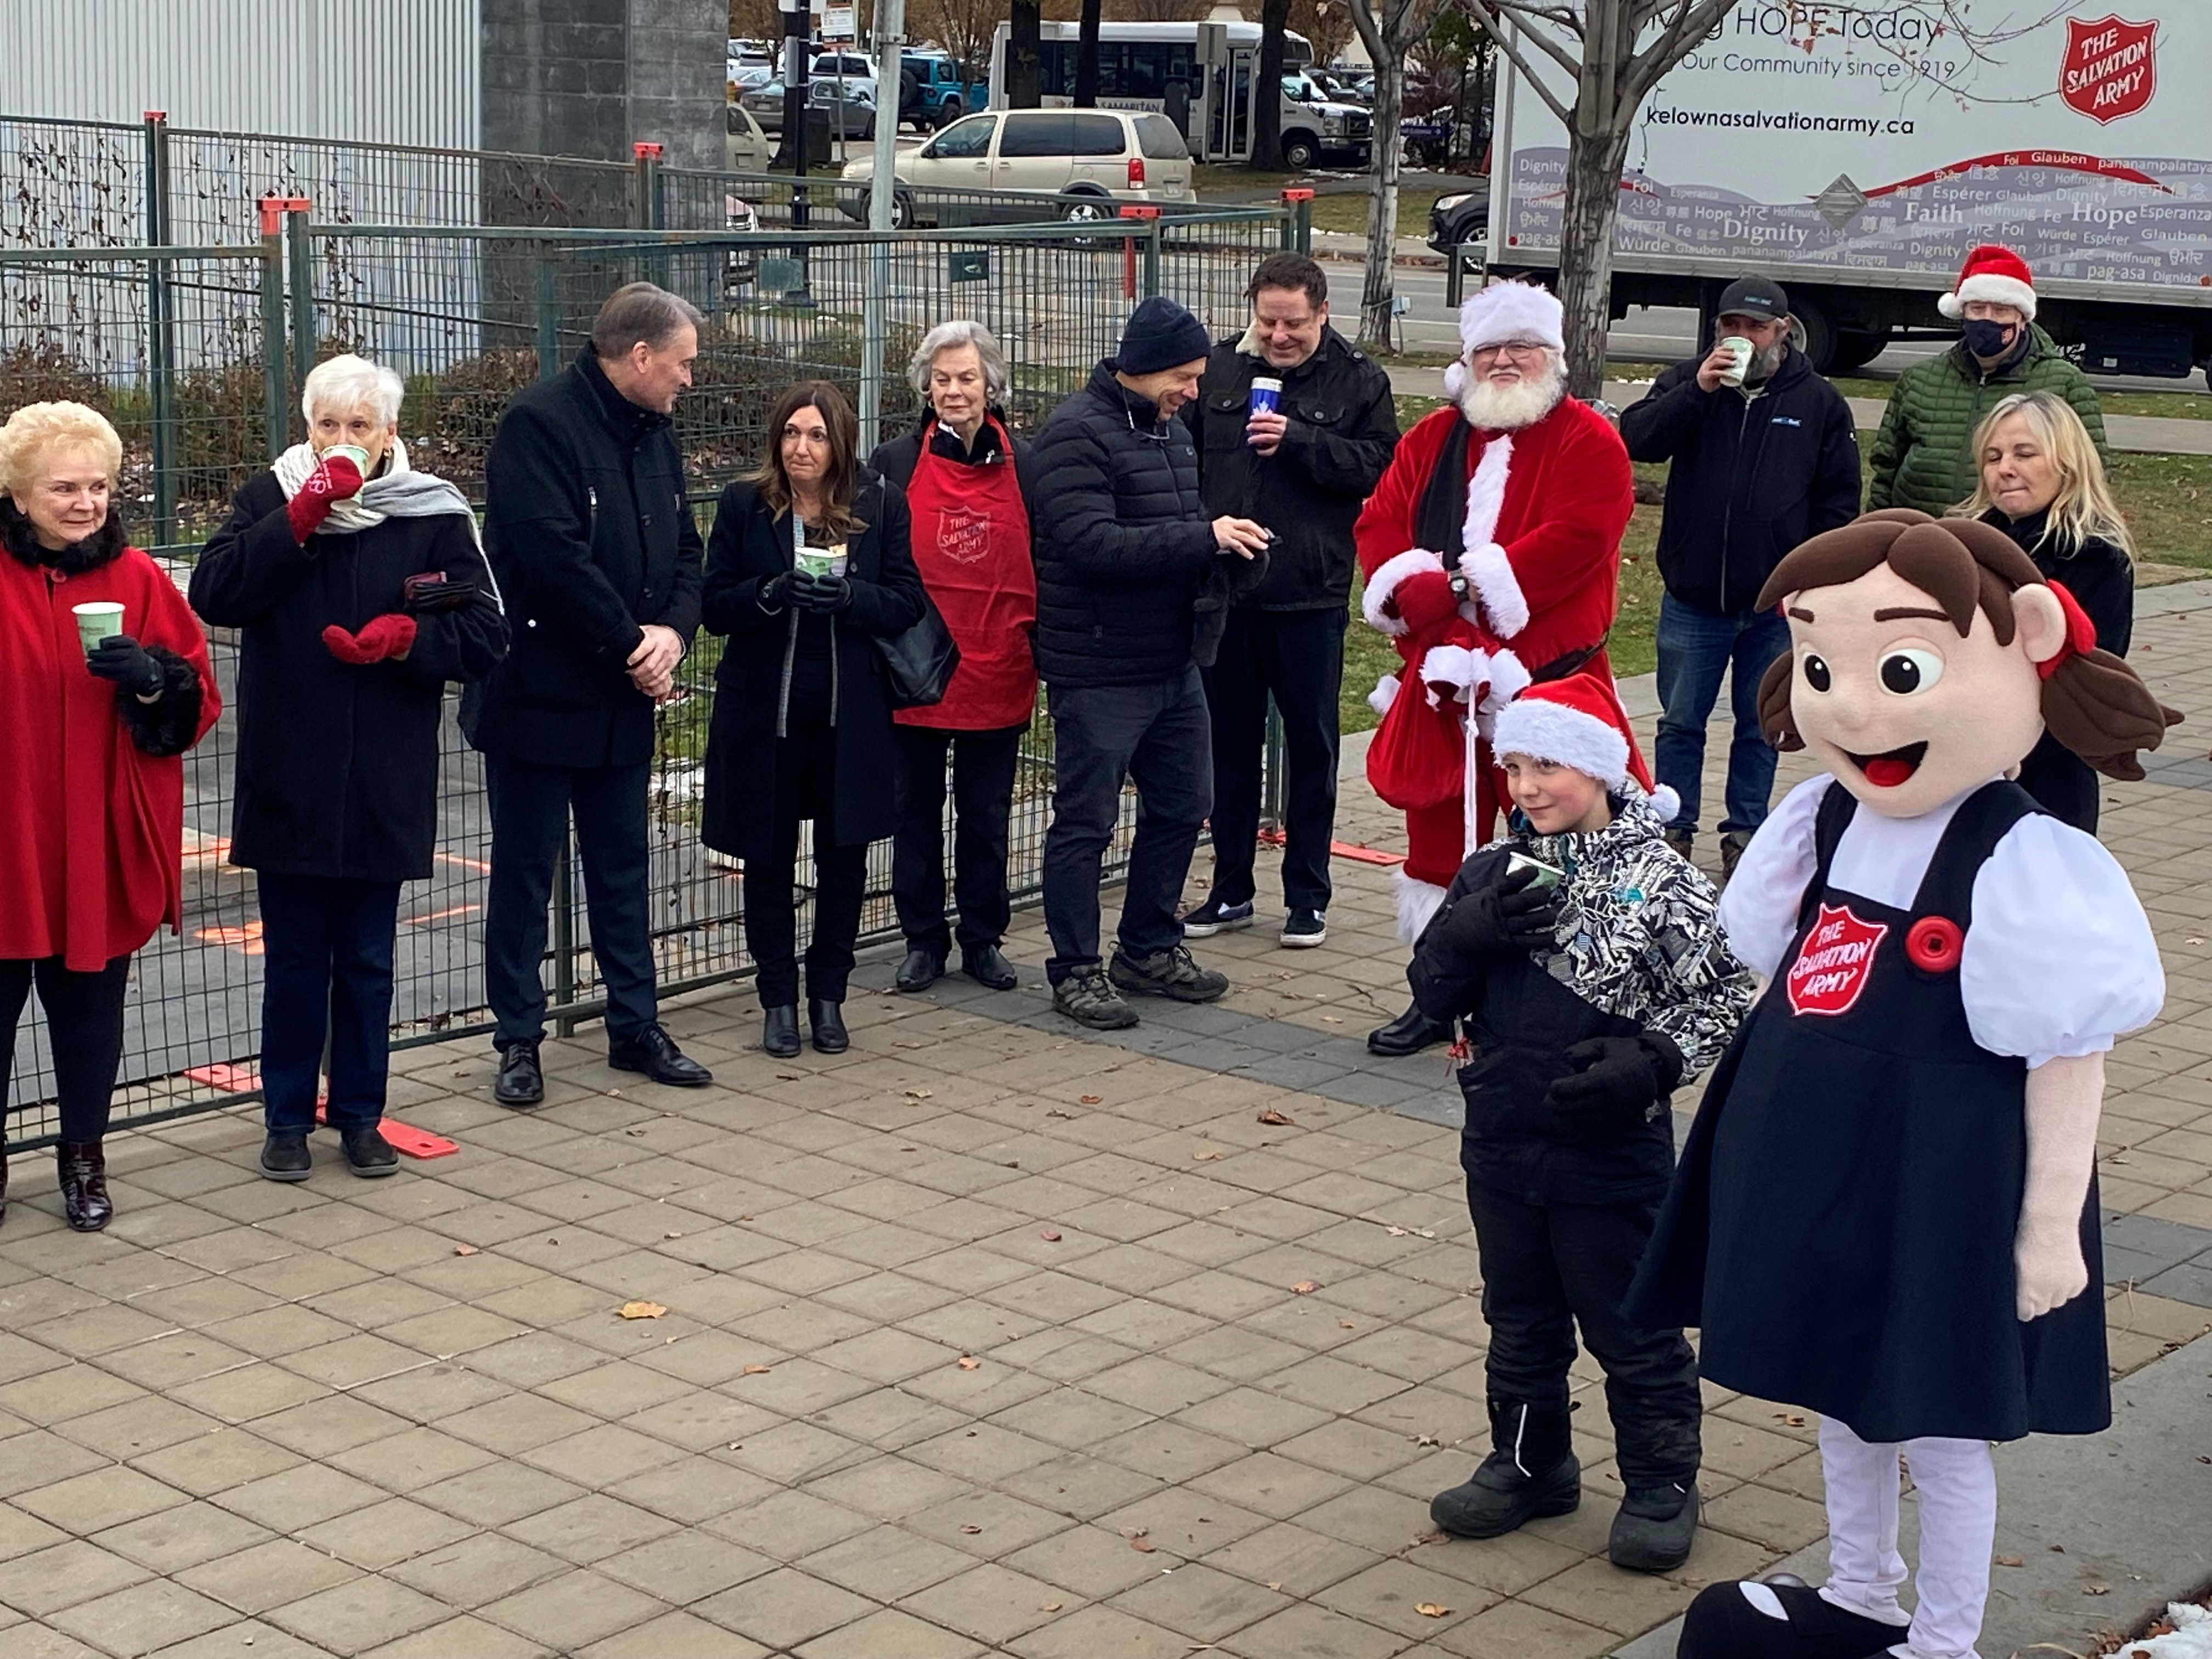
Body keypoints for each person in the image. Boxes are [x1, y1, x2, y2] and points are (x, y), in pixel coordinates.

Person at [1629, 511, 2175, 1659]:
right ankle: (1864, 1589)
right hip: (1821, 1158)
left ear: (2019, 651)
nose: (1853, 711)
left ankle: (1943, 1639)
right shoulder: (1819, 817)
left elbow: (2070, 1051)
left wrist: (2046, 1230)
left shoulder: (2026, 858)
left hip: (1945, 1174)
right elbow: (1755, 964)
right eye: (1824, 669)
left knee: (1936, 1421)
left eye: (1903, 670)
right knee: (1837, 1388)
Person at [1411, 675, 1753, 1574]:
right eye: (1511, 765)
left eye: (1547, 765)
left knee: (1628, 1323)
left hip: (1609, 1153)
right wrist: (1459, 937)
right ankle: (1530, 1463)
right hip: (1501, 1141)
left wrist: (1654, 1061)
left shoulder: (1659, 878)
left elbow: (1724, 993)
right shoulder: (1492, 869)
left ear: (1600, 767)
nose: (1525, 786)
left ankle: (1659, 1480)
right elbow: (1427, 994)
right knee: (1518, 1316)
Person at [191, 355, 507, 1182]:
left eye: (358, 427)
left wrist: (410, 642)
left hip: (385, 776)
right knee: (295, 961)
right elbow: (215, 594)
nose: (341, 441)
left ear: (390, 435)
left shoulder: (431, 513)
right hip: (291, 770)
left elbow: (485, 636)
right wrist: (295, 521)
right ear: (307, 430)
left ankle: (361, 1117)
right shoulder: (270, 497)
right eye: (327, 425)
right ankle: (287, 1120)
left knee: (367, 963)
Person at [1352, 281, 1635, 1057]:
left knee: (1558, 836)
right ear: (1468, 360)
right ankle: (1439, 993)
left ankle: (1563, 996)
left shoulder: (1589, 440)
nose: (1505, 361)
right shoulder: (1434, 439)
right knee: (1439, 837)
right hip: (1446, 684)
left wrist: (1462, 588)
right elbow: (1380, 524)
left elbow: (1577, 540)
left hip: (1544, 683)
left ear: (1552, 358)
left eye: (1522, 348)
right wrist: (1418, 596)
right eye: (1490, 350)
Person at [465, 282, 713, 1105]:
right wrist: (630, 645)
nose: (688, 380)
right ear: (639, 358)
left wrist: (673, 634)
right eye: (681, 365)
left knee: (622, 866)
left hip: (623, 696)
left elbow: (685, 549)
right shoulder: (539, 426)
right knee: (526, 874)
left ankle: (635, 1025)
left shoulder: (657, 434)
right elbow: (550, 557)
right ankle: (519, 1040)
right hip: (538, 695)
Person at [0, 402, 218, 1230]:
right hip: (7, 831)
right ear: (19, 496)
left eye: (97, 486)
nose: (85, 503)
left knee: (90, 1013)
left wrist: (156, 678)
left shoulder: (138, 581)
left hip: (96, 832)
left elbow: (197, 703)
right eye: (63, 488)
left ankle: (84, 1158)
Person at [1030, 295, 1271, 1031]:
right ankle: (1075, 967)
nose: (1195, 393)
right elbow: (1092, 545)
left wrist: (1228, 557)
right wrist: (1204, 538)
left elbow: (1172, 536)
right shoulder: (1075, 435)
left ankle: (1147, 946)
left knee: (1184, 804)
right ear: (1145, 369)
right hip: (1100, 666)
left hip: (1172, 662)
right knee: (1086, 822)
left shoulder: (1172, 435)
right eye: (1186, 378)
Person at [1180, 252, 1398, 949]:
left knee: (1312, 749)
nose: (1279, 335)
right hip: (1228, 594)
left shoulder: (1359, 379)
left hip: (1309, 594)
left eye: (1294, 323)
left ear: (1322, 313)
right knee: (1229, 752)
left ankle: (1308, 895)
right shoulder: (1218, 369)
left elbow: (1380, 467)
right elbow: (1183, 462)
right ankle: (1231, 889)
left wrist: (1301, 440)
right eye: (1268, 320)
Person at [703, 382, 925, 1058]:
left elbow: (908, 601)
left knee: (843, 861)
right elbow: (714, 606)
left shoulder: (880, 502)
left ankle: (829, 996)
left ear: (841, 444)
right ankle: (777, 1001)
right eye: (792, 433)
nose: (802, 447)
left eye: (818, 435)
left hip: (849, 718)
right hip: (763, 717)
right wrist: (769, 594)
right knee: (766, 861)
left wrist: (852, 598)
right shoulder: (747, 504)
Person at [1620, 275, 1861, 875]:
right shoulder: (1690, 383)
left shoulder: (1819, 403)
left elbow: (1838, 502)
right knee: (1680, 721)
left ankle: (1745, 831)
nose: (1742, 337)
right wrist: (1698, 392)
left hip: (1773, 605)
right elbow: (1637, 438)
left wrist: (1809, 580)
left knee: (1761, 725)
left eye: (1755, 327)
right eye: (1731, 326)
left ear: (1783, 331)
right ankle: (1672, 828)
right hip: (1694, 596)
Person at [868, 321, 1037, 996]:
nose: (954, 391)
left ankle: (982, 937)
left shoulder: (1028, 461)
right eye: (942, 379)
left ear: (990, 385)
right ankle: (921, 939)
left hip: (999, 666)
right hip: (917, 670)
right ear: (925, 387)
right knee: (914, 811)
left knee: (986, 813)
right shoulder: (894, 463)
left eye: (967, 378)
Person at [1959, 389, 2135, 834]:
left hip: (2045, 780)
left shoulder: (2095, 558)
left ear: (2066, 463)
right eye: (1993, 457)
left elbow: (2083, 682)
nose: (2006, 469)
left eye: (2025, 453)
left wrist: (2003, 753)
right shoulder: (1967, 544)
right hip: (1959, 769)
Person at [1867, 244, 2108, 518]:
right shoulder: (1918, 380)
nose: (1988, 319)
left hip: (2014, 544)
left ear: (2022, 318)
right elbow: (1886, 467)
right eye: (1977, 308)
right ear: (1963, 313)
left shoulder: (2066, 384)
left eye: (2001, 311)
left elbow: (2090, 474)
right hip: (1921, 538)